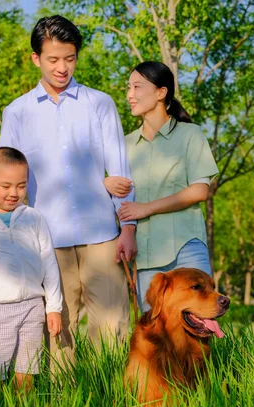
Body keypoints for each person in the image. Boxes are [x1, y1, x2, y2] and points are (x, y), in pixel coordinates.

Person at [0, 15, 137, 369]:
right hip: (47, 241)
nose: (62, 67)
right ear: (36, 59)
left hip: (102, 234)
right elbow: (1, 170)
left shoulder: (99, 104)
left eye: (70, 58)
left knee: (113, 325)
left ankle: (110, 400)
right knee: (57, 332)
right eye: (53, 59)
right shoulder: (18, 113)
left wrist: (128, 228)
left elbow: (120, 173)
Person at [103, 61, 218, 312]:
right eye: (128, 88)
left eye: (137, 87)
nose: (129, 95)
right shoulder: (125, 145)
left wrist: (146, 208)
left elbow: (199, 191)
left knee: (200, 323)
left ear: (161, 92)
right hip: (143, 254)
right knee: (154, 330)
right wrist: (105, 182)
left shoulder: (190, 135)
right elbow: (117, 199)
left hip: (186, 246)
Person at [0, 147, 63, 392]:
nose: (13, 193)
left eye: (21, 186)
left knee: (26, 376)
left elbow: (49, 263)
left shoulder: (34, 218)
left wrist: (54, 308)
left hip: (33, 308)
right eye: (5, 186)